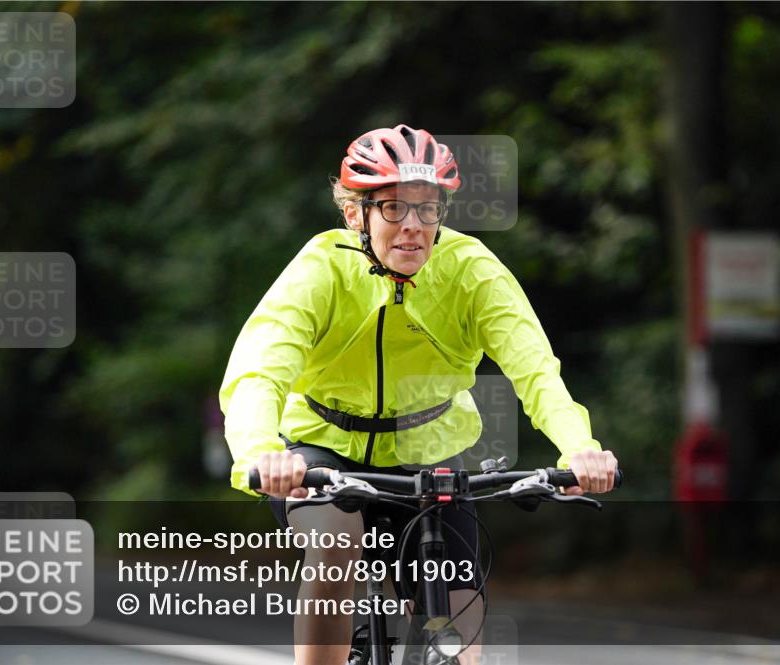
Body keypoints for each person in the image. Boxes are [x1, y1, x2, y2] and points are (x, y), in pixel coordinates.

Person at [219, 124, 618, 665]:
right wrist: (260, 452)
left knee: (462, 637)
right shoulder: (321, 269)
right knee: (336, 544)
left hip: (430, 455)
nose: (412, 227)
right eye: (393, 209)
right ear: (356, 214)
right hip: (320, 450)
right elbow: (258, 372)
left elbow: (537, 372)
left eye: (427, 209)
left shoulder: (471, 271)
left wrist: (579, 448)